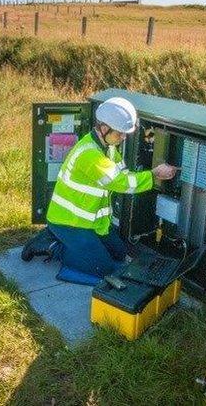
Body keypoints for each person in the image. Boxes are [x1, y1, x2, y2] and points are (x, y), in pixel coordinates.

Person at [40, 97, 177, 283]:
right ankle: (52, 244)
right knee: (105, 270)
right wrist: (153, 175)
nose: (123, 138)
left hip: (94, 224)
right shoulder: (89, 154)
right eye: (120, 133)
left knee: (119, 254)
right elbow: (120, 182)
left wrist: (147, 174)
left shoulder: (109, 148)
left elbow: (124, 174)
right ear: (104, 128)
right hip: (69, 223)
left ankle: (73, 247)